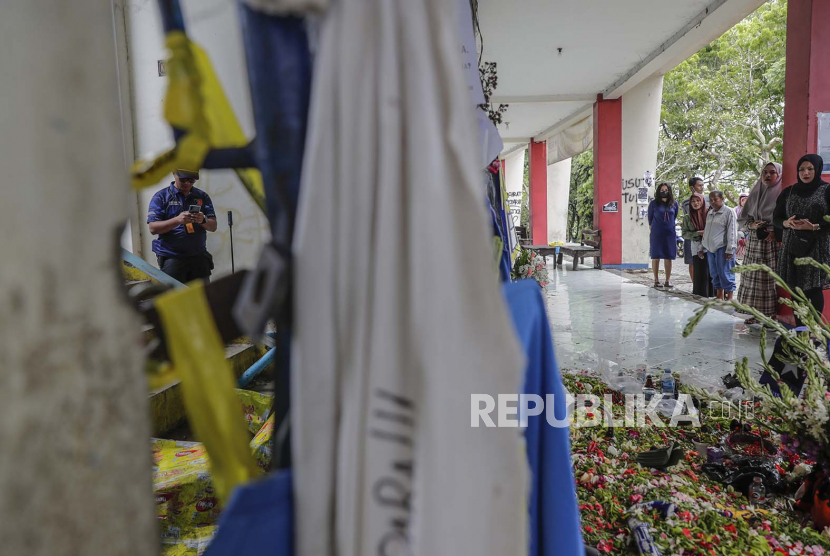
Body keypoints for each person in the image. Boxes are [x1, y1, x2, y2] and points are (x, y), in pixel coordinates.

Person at [774, 154, 830, 326]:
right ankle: (800, 332)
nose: (805, 173)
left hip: (816, 247)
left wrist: (813, 227)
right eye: (802, 169)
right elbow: (776, 218)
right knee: (796, 289)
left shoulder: (827, 190)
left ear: (817, 169)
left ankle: (811, 331)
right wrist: (786, 222)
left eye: (810, 169)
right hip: (792, 247)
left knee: (813, 289)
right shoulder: (788, 192)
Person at [147, 169, 218, 283]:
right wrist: (177, 220)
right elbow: (153, 228)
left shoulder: (202, 196)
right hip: (172, 257)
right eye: (183, 179)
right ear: (174, 174)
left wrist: (203, 220)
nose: (187, 183)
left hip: (198, 257)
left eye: (191, 180)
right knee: (173, 298)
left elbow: (213, 226)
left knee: (202, 298)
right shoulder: (161, 197)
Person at [736, 162, 783, 324]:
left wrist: (775, 232)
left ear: (779, 175)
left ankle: (773, 315)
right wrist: (751, 225)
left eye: (772, 172)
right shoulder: (756, 191)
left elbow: (786, 217)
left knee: (770, 278)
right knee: (752, 277)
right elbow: (744, 218)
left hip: (772, 243)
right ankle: (755, 313)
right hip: (755, 242)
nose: (768, 176)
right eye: (765, 172)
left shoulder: (783, 192)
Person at [701, 190, 737, 300]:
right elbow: (706, 231)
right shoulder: (710, 213)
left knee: (726, 273)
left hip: (723, 248)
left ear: (722, 199)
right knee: (714, 273)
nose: (713, 202)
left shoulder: (729, 212)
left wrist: (730, 249)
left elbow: (732, 231)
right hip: (710, 249)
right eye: (711, 200)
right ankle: (719, 295)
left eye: (715, 199)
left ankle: (730, 298)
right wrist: (702, 247)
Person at [681, 193, 714, 297]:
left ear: (702, 201)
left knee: (711, 270)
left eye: (698, 200)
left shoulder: (710, 214)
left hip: (710, 245)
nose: (696, 203)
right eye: (693, 201)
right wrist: (698, 233)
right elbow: (685, 234)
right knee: (700, 270)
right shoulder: (687, 217)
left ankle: (713, 294)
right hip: (696, 245)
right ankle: (701, 294)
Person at [648, 183, 679, 288]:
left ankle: (667, 280)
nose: (664, 191)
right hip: (657, 233)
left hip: (669, 233)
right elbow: (650, 218)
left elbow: (674, 216)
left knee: (668, 256)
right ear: (658, 191)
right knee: (655, 256)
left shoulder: (674, 203)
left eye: (666, 190)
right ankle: (656, 280)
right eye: (662, 190)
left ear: (669, 191)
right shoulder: (653, 203)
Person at [681, 177, 708, 281]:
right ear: (692, 188)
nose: (702, 187)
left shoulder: (709, 199)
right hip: (692, 235)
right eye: (699, 185)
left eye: (703, 185)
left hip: (706, 236)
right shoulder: (686, 202)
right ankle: (695, 285)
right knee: (692, 262)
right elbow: (690, 217)